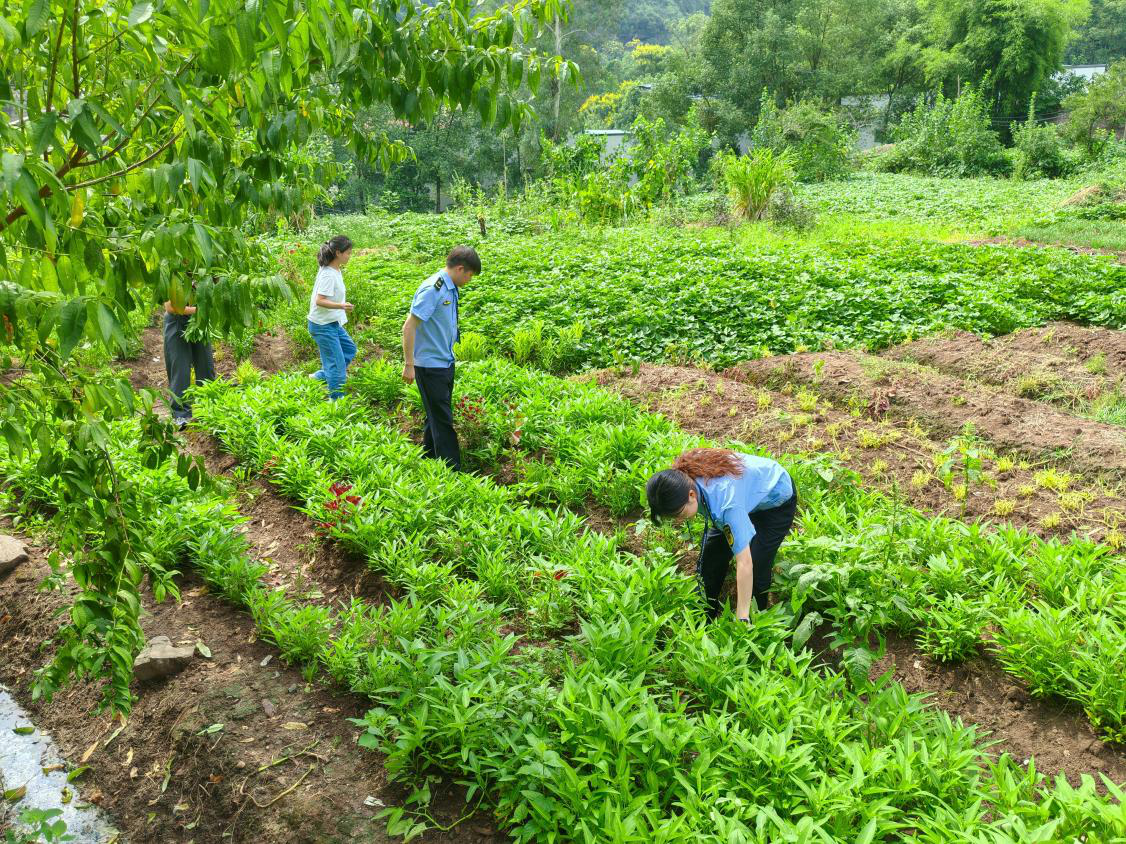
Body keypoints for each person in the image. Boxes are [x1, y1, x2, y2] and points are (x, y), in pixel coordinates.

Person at [646, 448, 797, 621]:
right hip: (743, 495)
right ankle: (706, 612)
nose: (679, 520)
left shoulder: (727, 505)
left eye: (679, 514)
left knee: (757, 562)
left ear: (691, 495)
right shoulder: (681, 479)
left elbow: (745, 563)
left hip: (775, 499)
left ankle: (755, 620)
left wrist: (742, 616)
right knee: (711, 557)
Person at [401, 246, 482, 472]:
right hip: (429, 366)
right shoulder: (433, 289)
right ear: (459, 269)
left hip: (445, 361)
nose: (469, 280)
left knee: (435, 414)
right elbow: (409, 326)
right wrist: (409, 365)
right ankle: (452, 471)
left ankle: (429, 457)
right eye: (469, 275)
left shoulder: (451, 287)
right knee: (443, 419)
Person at [307, 235, 356, 400]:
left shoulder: (335, 269)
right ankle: (336, 402)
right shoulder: (328, 274)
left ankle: (323, 375)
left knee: (349, 349)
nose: (350, 256)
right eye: (348, 253)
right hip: (322, 325)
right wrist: (342, 306)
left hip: (332, 323)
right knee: (337, 366)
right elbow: (319, 300)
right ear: (337, 253)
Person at [163, 283, 216, 429]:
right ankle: (180, 415)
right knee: (179, 369)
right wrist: (198, 310)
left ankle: (209, 408)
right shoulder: (172, 273)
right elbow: (169, 306)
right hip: (176, 321)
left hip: (198, 322)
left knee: (205, 365)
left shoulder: (202, 271)